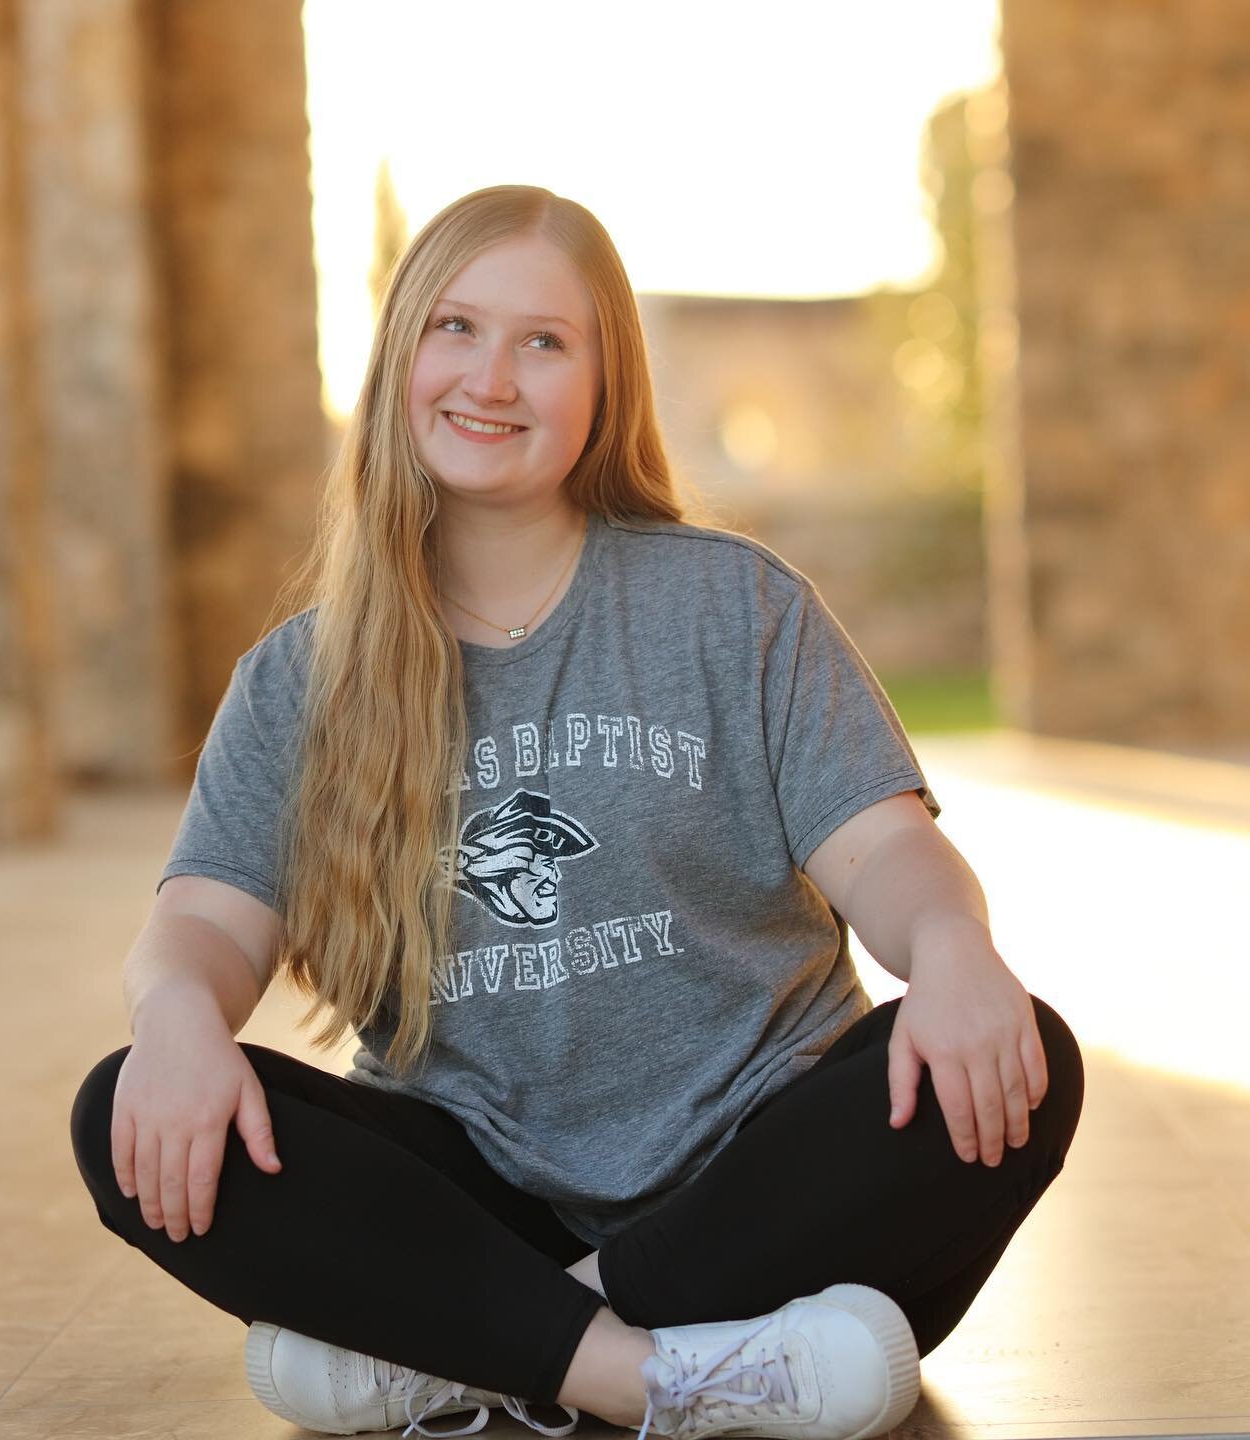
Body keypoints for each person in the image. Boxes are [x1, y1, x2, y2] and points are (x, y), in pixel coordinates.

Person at [69, 184, 1084, 1440]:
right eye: (456, 327)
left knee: (1021, 1063)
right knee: (128, 1106)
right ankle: (680, 1374)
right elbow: (208, 929)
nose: (491, 376)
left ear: (605, 386)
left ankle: (478, 1348)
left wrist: (953, 952)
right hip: (483, 1188)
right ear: (399, 359)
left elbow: (887, 853)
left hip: (765, 1173)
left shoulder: (732, 607)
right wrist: (175, 1015)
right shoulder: (300, 678)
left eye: (544, 342)